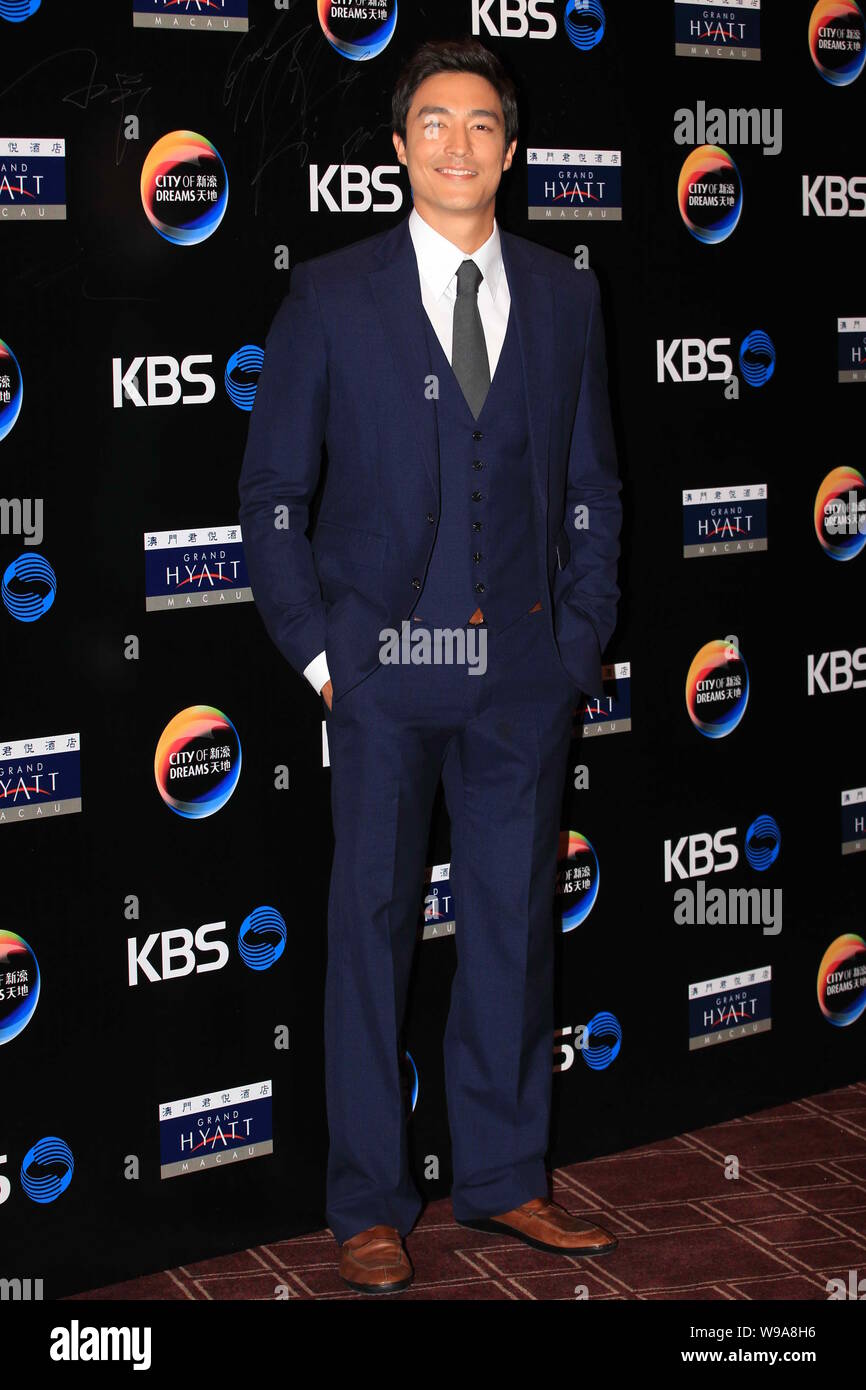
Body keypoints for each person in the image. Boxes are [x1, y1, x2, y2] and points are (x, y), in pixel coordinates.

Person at [238, 34, 622, 1295]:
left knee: (513, 928)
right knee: (371, 932)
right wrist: (321, 660)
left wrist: (575, 641)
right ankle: (368, 1203)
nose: (458, 145)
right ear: (400, 148)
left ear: (511, 151)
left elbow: (590, 486)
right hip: (383, 671)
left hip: (521, 670)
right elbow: (273, 493)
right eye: (434, 124)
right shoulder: (332, 297)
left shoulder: (567, 297)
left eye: (482, 126)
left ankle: (505, 1179)